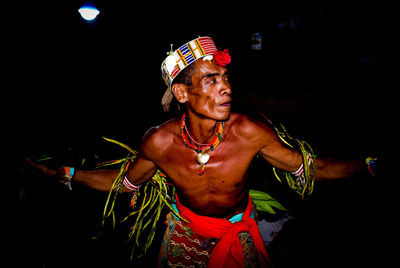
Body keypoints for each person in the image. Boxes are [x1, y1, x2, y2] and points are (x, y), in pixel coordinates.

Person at [28, 36, 375, 267]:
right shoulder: (160, 143)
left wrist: (371, 165)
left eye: (225, 77)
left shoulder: (248, 132)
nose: (225, 87)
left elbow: (311, 168)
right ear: (182, 94)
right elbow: (122, 184)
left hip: (239, 230)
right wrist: (67, 174)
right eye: (211, 79)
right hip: (184, 234)